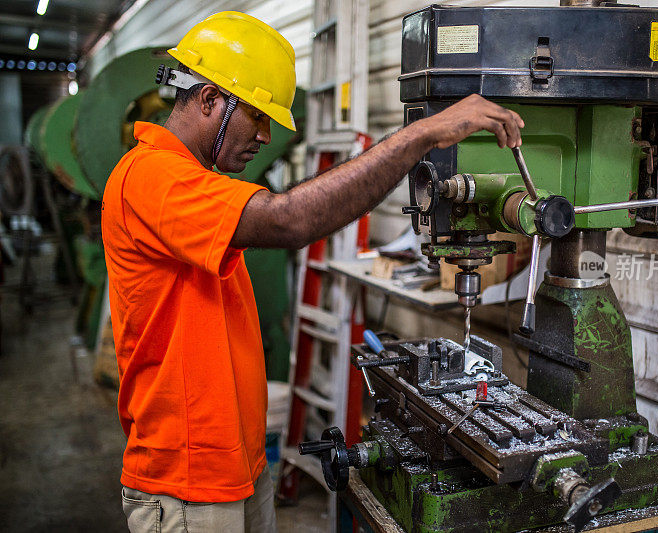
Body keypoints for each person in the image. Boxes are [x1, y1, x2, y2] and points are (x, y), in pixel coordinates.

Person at [101, 11, 523, 533]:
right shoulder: (151, 177)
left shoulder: (190, 181)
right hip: (188, 486)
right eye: (256, 115)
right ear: (210, 100)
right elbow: (288, 219)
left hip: (237, 469)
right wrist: (420, 136)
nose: (264, 134)